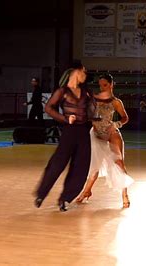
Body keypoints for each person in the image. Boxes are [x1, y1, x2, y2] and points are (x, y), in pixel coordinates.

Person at [34, 62, 92, 212]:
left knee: (81, 168)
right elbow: (48, 108)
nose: (85, 74)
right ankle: (41, 194)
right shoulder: (62, 91)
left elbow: (93, 110)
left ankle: (65, 199)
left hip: (84, 133)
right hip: (69, 132)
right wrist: (65, 119)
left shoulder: (86, 92)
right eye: (83, 71)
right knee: (57, 164)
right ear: (76, 72)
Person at [76, 74, 134, 208]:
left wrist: (116, 124)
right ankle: (87, 191)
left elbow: (125, 117)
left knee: (119, 163)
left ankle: (124, 194)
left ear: (111, 84)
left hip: (111, 133)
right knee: (94, 166)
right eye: (100, 85)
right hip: (96, 134)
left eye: (105, 85)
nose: (102, 88)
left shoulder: (116, 102)